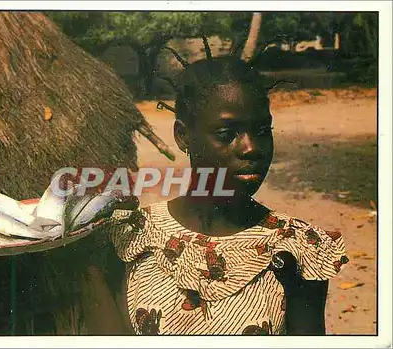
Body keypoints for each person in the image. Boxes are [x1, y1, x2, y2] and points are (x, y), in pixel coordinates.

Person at [79, 53, 348, 335]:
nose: (250, 148)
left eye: (262, 131)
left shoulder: (299, 247)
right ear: (183, 136)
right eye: (226, 133)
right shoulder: (132, 236)